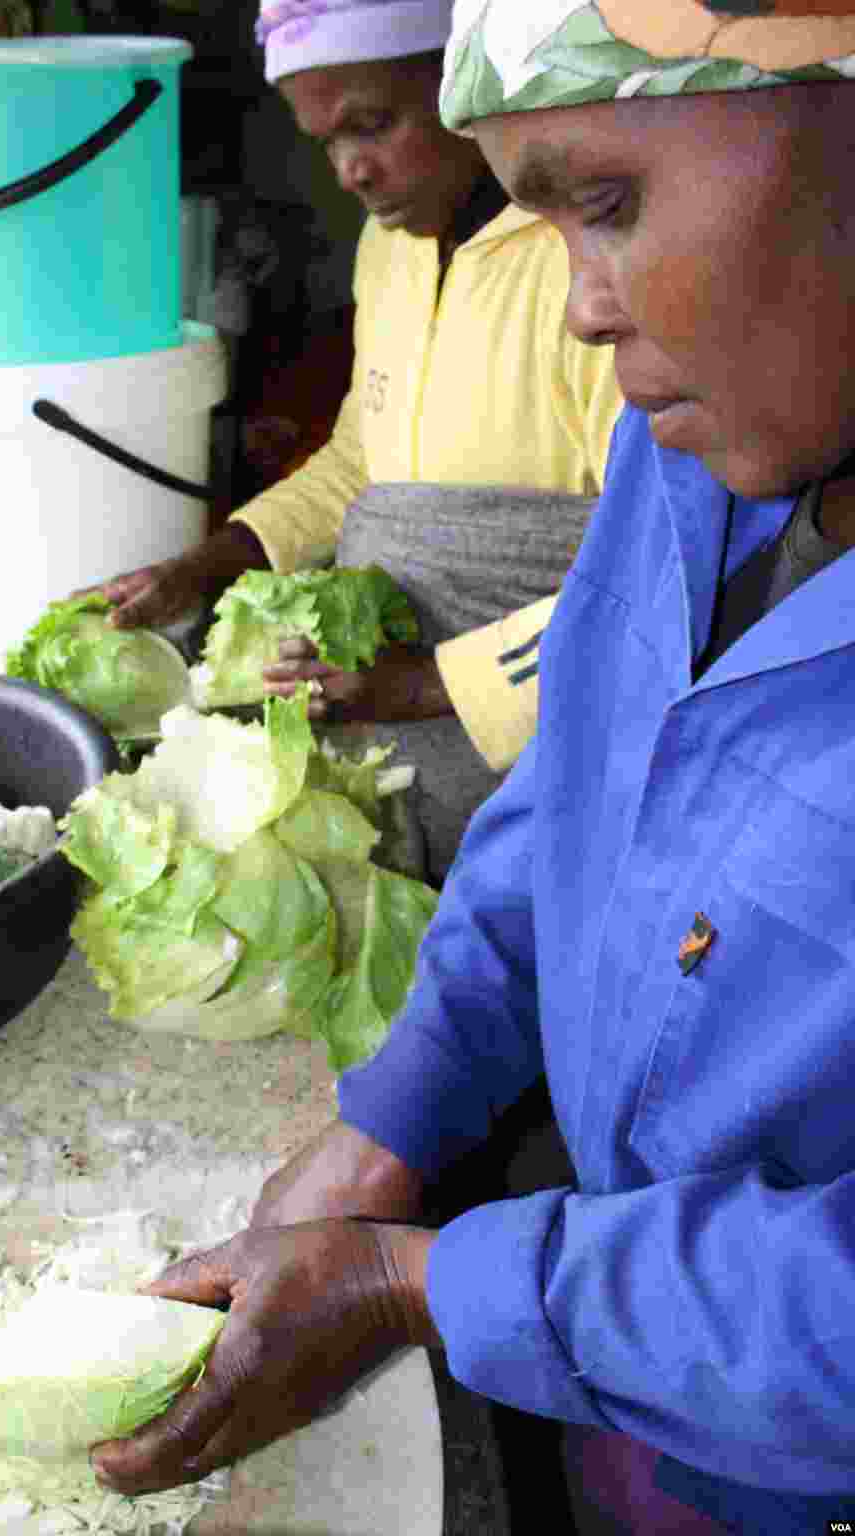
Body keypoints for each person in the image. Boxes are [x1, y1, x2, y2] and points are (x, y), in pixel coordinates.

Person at [87, 2, 855, 1532]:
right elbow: (568, 805)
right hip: (632, 1389)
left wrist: (415, 1279)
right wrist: (392, 1125)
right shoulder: (691, 452)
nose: (579, 309)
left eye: (612, 202)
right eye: (543, 217)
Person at [94, 0, 622, 881]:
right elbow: (361, 460)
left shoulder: (583, 270)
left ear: (466, 79)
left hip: (551, 745)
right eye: (326, 144)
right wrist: (213, 562)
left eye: (372, 125)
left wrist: (427, 685)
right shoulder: (391, 253)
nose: (352, 170)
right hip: (408, 733)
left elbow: (652, 579)